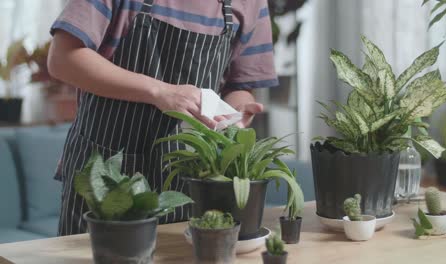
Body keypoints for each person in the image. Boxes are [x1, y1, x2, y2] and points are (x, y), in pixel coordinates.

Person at [48, 0, 278, 236]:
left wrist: (236, 112)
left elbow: (240, 85)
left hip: (188, 182)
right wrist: (160, 92)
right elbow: (62, 59)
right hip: (105, 178)